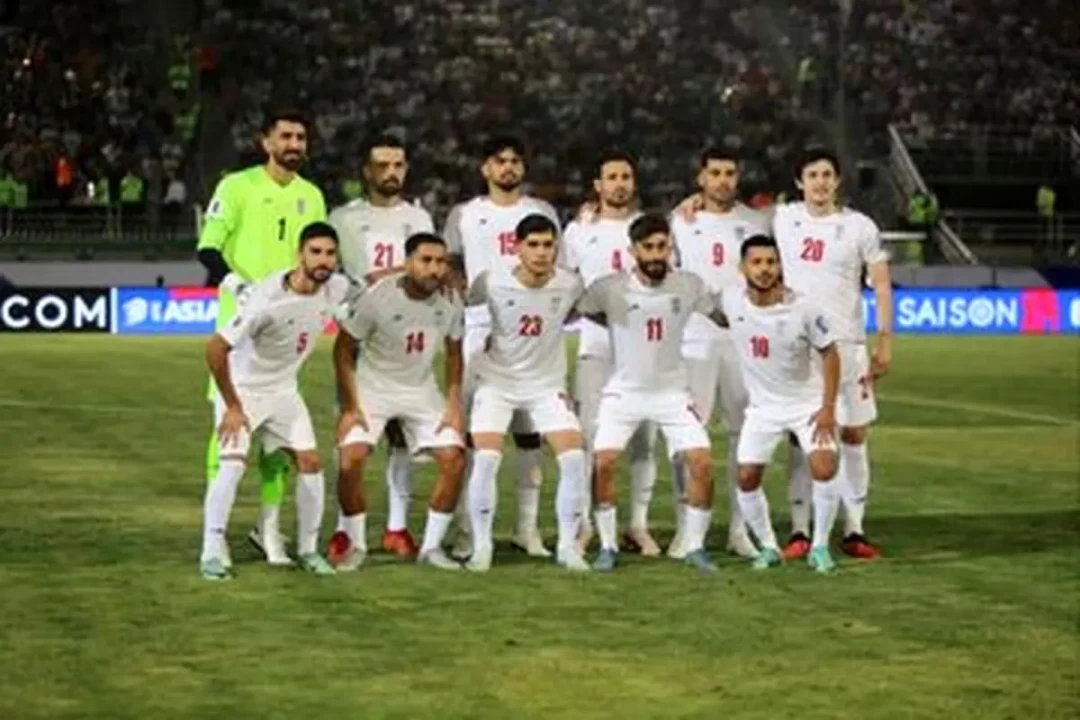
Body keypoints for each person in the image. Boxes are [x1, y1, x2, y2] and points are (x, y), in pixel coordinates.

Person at [197, 108, 327, 565]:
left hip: (286, 334)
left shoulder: (311, 195)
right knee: (228, 435)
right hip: (240, 331)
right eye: (286, 136)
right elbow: (208, 248)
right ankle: (213, 536)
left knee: (278, 440)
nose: (294, 144)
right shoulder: (236, 186)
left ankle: (268, 529)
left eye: (300, 137)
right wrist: (236, 285)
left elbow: (317, 256)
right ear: (266, 142)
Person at [574, 213, 726, 574]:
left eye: (662, 246)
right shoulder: (609, 287)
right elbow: (583, 310)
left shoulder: (689, 284)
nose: (657, 254)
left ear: (671, 246)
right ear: (633, 250)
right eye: (649, 247)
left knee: (703, 463)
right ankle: (608, 545)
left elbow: (722, 315)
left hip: (672, 392)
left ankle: (695, 546)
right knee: (603, 462)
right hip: (623, 392)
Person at [199, 222, 345, 580]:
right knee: (232, 465)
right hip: (243, 390)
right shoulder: (266, 299)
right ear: (299, 254)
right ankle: (212, 551)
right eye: (315, 252)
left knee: (311, 463)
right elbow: (215, 348)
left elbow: (370, 290)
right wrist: (233, 406)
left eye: (330, 253)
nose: (323, 260)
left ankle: (308, 550)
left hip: (283, 391)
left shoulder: (337, 287)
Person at [444, 134, 562, 558]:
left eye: (514, 160)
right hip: (479, 328)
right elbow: (451, 265)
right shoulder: (465, 214)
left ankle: (526, 529)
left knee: (530, 436)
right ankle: (467, 529)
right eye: (500, 160)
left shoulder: (541, 212)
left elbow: (557, 266)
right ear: (486, 168)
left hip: (531, 332)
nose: (508, 167)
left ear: (523, 168)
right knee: (475, 436)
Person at [771, 149, 892, 561]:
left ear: (837, 181)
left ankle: (854, 528)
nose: (820, 182)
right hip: (800, 349)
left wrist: (884, 340)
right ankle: (800, 530)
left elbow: (881, 283)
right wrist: (690, 202)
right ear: (799, 182)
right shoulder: (783, 218)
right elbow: (732, 216)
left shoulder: (859, 226)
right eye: (812, 175)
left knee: (854, 435)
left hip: (848, 345)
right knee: (802, 438)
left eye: (827, 174)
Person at [329, 233, 467, 571]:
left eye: (440, 262)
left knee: (454, 458)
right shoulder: (378, 297)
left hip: (421, 390)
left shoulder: (451, 299)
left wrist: (452, 405)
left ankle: (431, 548)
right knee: (351, 458)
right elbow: (343, 350)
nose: (434, 269)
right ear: (407, 263)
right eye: (426, 260)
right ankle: (357, 543)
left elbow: (454, 353)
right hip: (372, 389)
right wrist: (350, 406)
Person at [463, 214, 590, 572]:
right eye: (533, 245)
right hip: (497, 382)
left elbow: (577, 312)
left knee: (573, 458)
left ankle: (567, 547)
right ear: (517, 248)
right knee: (486, 458)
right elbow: (467, 309)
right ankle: (481, 547)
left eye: (548, 245)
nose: (541, 252)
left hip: (546, 386)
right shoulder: (492, 281)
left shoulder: (570, 284)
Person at [329, 134, 435, 559]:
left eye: (398, 165)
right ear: (366, 171)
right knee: (351, 431)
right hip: (359, 335)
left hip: (404, 339)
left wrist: (386, 276)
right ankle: (344, 529)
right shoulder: (343, 218)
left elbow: (427, 270)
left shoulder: (419, 217)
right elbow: (330, 270)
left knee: (400, 436)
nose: (392, 172)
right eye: (383, 165)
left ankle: (396, 527)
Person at [717, 235, 842, 573]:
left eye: (771, 262)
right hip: (763, 409)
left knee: (824, 466)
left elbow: (830, 354)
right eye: (756, 262)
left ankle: (820, 547)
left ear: (780, 266)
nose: (764, 269)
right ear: (742, 267)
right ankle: (769, 547)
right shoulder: (731, 301)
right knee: (746, 476)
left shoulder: (804, 307)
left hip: (807, 404)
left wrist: (828, 407)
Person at [669, 148, 767, 561]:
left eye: (730, 172)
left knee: (745, 436)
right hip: (693, 339)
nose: (723, 180)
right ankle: (685, 528)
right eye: (715, 173)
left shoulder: (755, 223)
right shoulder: (680, 221)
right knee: (687, 435)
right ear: (701, 178)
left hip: (743, 342)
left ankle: (739, 529)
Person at [563, 150, 660, 556]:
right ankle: (587, 524)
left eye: (626, 176)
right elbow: (567, 285)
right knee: (590, 437)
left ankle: (638, 525)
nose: (620, 183)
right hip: (596, 346)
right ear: (598, 185)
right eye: (612, 177)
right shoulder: (578, 230)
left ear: (633, 183)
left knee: (644, 439)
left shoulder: (651, 228)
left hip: (644, 351)